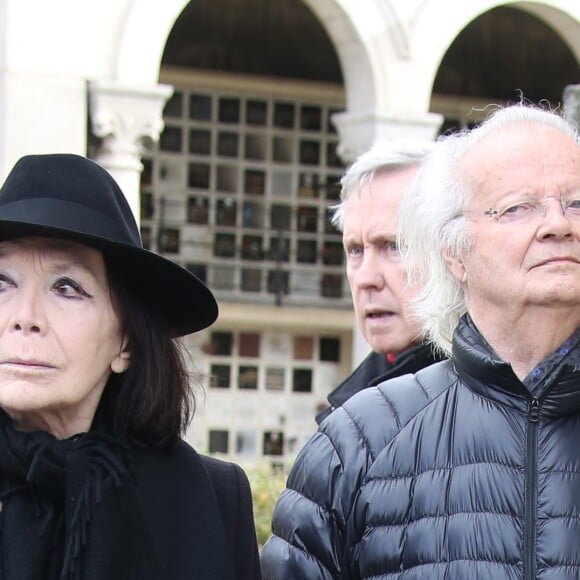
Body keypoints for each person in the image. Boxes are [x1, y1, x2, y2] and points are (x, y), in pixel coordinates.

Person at [261, 103, 580, 579]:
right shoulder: (357, 444)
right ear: (454, 252)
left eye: (576, 203)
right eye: (519, 208)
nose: (558, 224)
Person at [0, 154, 261, 579]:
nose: (24, 316)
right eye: (2, 282)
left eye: (67, 287)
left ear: (125, 341)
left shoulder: (208, 497)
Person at [316, 140, 444, 424]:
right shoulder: (343, 416)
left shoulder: (508, 397)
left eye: (394, 246)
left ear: (453, 250)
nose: (365, 278)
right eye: (356, 250)